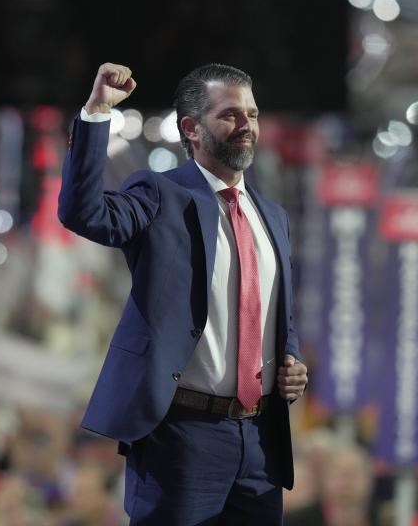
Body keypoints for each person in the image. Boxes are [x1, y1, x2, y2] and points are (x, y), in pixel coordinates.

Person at [58, 62, 308, 525]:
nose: (247, 125)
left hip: (259, 438)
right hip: (180, 435)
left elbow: (275, 314)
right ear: (190, 129)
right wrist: (95, 115)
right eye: (230, 114)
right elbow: (84, 213)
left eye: (252, 114)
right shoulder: (159, 193)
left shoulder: (272, 216)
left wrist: (289, 361)